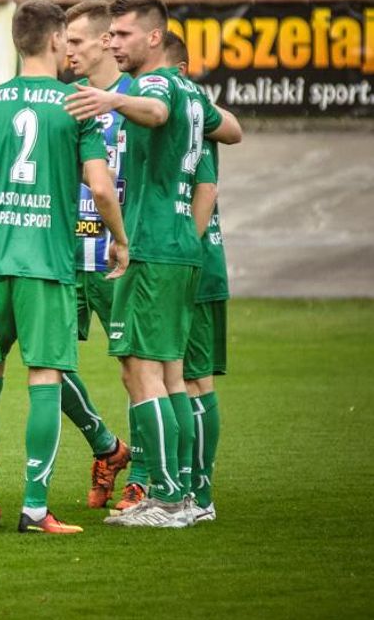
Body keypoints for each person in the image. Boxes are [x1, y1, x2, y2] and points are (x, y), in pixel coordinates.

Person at [0, 0, 129, 535]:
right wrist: (119, 239)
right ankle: (33, 507)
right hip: (46, 265)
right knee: (45, 377)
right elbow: (99, 186)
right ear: (55, 41)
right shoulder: (76, 105)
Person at [64, 0, 242, 528]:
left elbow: (156, 109)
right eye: (109, 35)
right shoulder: (194, 92)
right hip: (182, 247)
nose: (111, 43)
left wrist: (113, 101)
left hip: (151, 245)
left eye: (121, 35)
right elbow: (225, 136)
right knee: (172, 375)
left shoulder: (156, 86)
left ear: (154, 37)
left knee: (143, 372)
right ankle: (188, 494)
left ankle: (166, 498)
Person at [62, 0, 133, 509]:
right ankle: (107, 446)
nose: (68, 52)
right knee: (48, 365)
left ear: (108, 40)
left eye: (77, 42)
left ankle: (146, 477)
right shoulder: (65, 101)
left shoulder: (139, 97)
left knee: (138, 367)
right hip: (65, 257)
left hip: (119, 260)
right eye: (63, 42)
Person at [164, 31, 226, 524]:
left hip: (194, 265)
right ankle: (181, 489)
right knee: (174, 376)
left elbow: (206, 183)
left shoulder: (192, 117)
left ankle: (197, 495)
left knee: (192, 378)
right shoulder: (190, 115)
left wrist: (188, 242)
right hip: (186, 260)